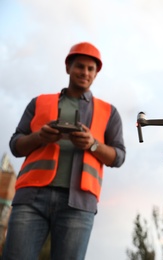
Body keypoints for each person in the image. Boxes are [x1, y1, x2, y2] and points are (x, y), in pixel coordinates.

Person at [3, 42, 126, 259]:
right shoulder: (39, 102)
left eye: (91, 69)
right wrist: (40, 137)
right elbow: (16, 145)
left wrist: (92, 144)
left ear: (97, 73)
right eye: (80, 66)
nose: (85, 72)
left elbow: (119, 157)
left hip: (79, 203)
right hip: (31, 197)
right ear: (68, 67)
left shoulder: (109, 112)